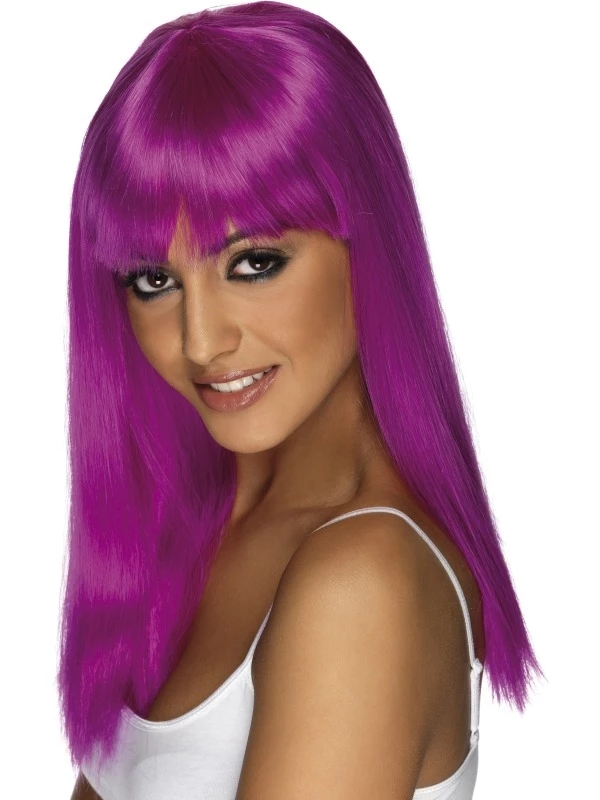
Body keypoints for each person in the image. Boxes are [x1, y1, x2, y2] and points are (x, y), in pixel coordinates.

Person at [60, 3, 543, 798]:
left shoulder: (362, 580)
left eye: (253, 264)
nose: (202, 341)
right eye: (154, 280)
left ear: (366, 243)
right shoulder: (197, 530)